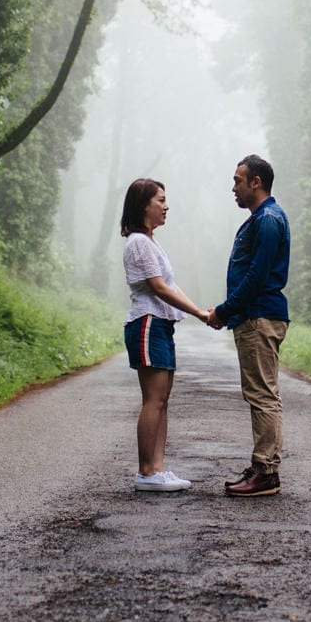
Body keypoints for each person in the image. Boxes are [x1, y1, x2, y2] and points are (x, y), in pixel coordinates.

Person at [203, 154, 290, 497]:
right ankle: (261, 466)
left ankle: (266, 472)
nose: (233, 188)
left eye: (238, 180)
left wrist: (224, 311)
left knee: (262, 395)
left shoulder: (267, 220)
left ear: (256, 182)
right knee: (261, 393)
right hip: (255, 315)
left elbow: (256, 276)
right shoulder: (263, 218)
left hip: (259, 316)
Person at [120, 177, 214, 493]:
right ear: (143, 205)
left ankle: (157, 469)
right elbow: (158, 288)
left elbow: (170, 286)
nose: (166, 205)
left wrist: (200, 312)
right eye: (160, 200)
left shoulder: (151, 242)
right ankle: (146, 471)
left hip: (160, 324)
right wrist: (200, 314)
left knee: (162, 400)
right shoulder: (138, 242)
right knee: (154, 399)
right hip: (147, 324)